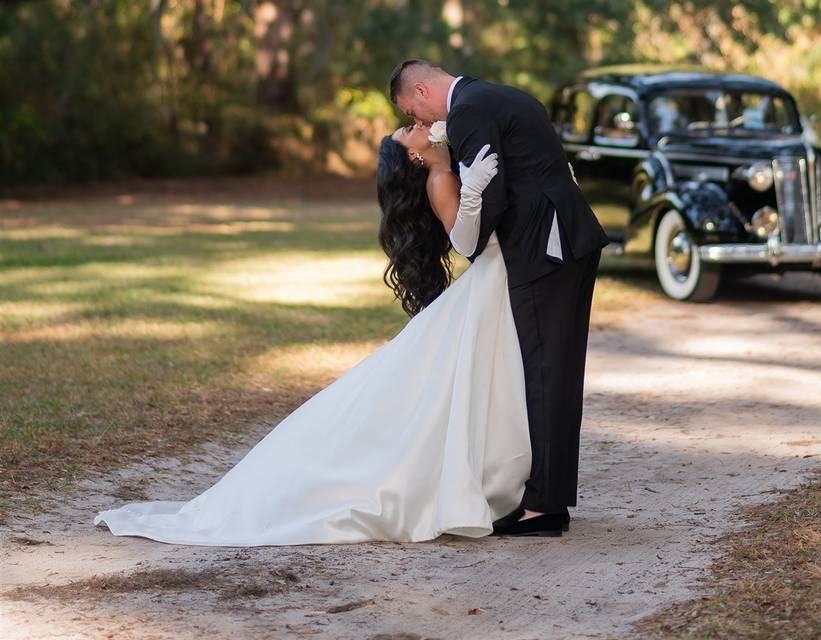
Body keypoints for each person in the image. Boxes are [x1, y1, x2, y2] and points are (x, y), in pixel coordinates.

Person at [92, 123, 547, 545]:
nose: (420, 127)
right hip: (491, 279)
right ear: (415, 159)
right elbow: (466, 243)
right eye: (411, 130)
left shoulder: (445, 173)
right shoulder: (438, 180)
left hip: (495, 283)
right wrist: (476, 187)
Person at [390, 60, 610, 536]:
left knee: (547, 372)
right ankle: (547, 498)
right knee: (557, 370)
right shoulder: (506, 95)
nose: (422, 125)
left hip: (541, 251)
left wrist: (469, 202)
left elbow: (485, 211)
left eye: (416, 113)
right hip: (567, 239)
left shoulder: (469, 112)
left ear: (424, 90)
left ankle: (543, 507)